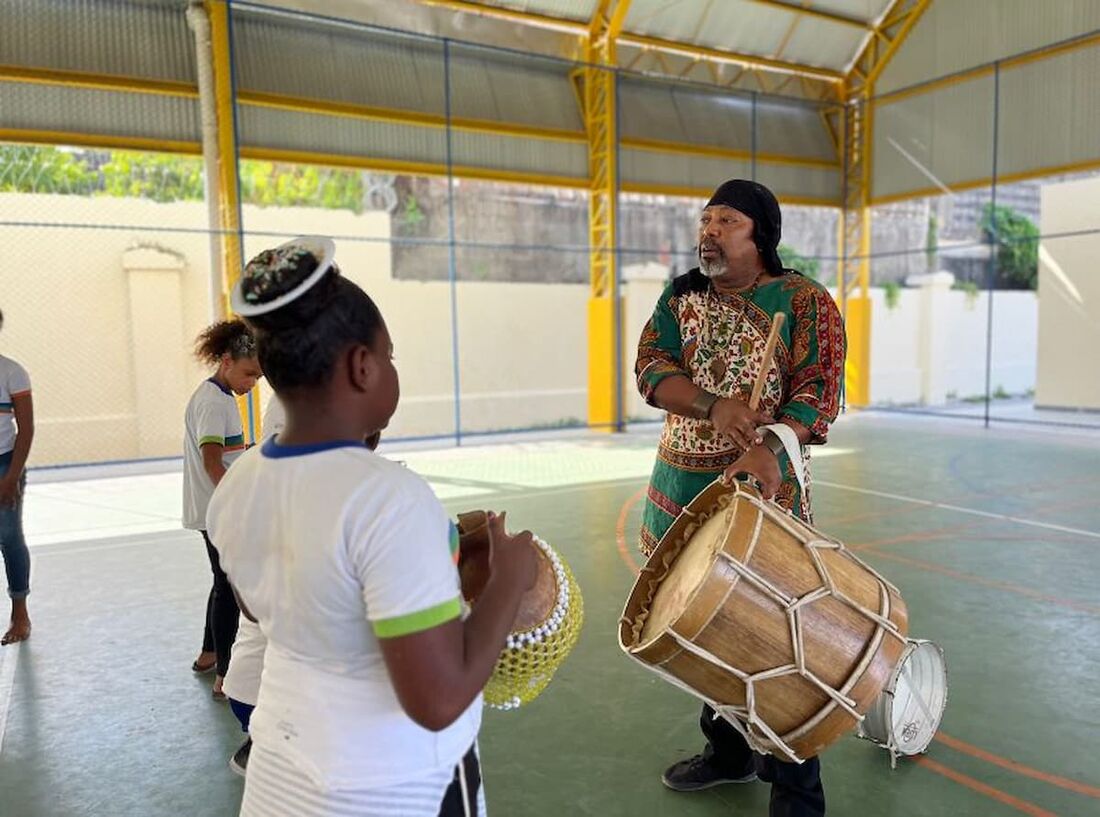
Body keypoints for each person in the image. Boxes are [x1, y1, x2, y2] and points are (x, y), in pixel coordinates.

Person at [206, 237, 536, 816]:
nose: (390, 368)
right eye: (390, 356)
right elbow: (437, 700)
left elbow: (263, 608)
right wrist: (509, 579)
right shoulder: (390, 498)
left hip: (281, 781)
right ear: (362, 366)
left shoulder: (238, 484)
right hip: (394, 787)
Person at [634, 179, 845, 817]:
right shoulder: (681, 295)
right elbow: (650, 368)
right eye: (706, 221)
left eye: (727, 220)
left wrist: (771, 447)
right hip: (681, 492)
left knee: (773, 636)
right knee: (703, 626)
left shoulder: (803, 300)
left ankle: (796, 794)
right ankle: (728, 753)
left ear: (762, 235)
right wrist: (713, 404)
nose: (710, 232)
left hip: (764, 494)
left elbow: (820, 388)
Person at [183, 320, 262, 698]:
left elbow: (226, 455)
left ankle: (208, 654)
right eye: (249, 374)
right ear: (227, 362)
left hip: (215, 506)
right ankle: (225, 676)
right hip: (218, 510)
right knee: (231, 588)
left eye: (259, 377)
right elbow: (212, 462)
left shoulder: (221, 397)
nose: (253, 383)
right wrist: (235, 504)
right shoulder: (213, 402)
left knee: (221, 582)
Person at [0, 308, 34, 646]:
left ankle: (19, 613)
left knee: (9, 537)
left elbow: (26, 429)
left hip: (5, 463)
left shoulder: (12, 373)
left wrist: (12, 476)